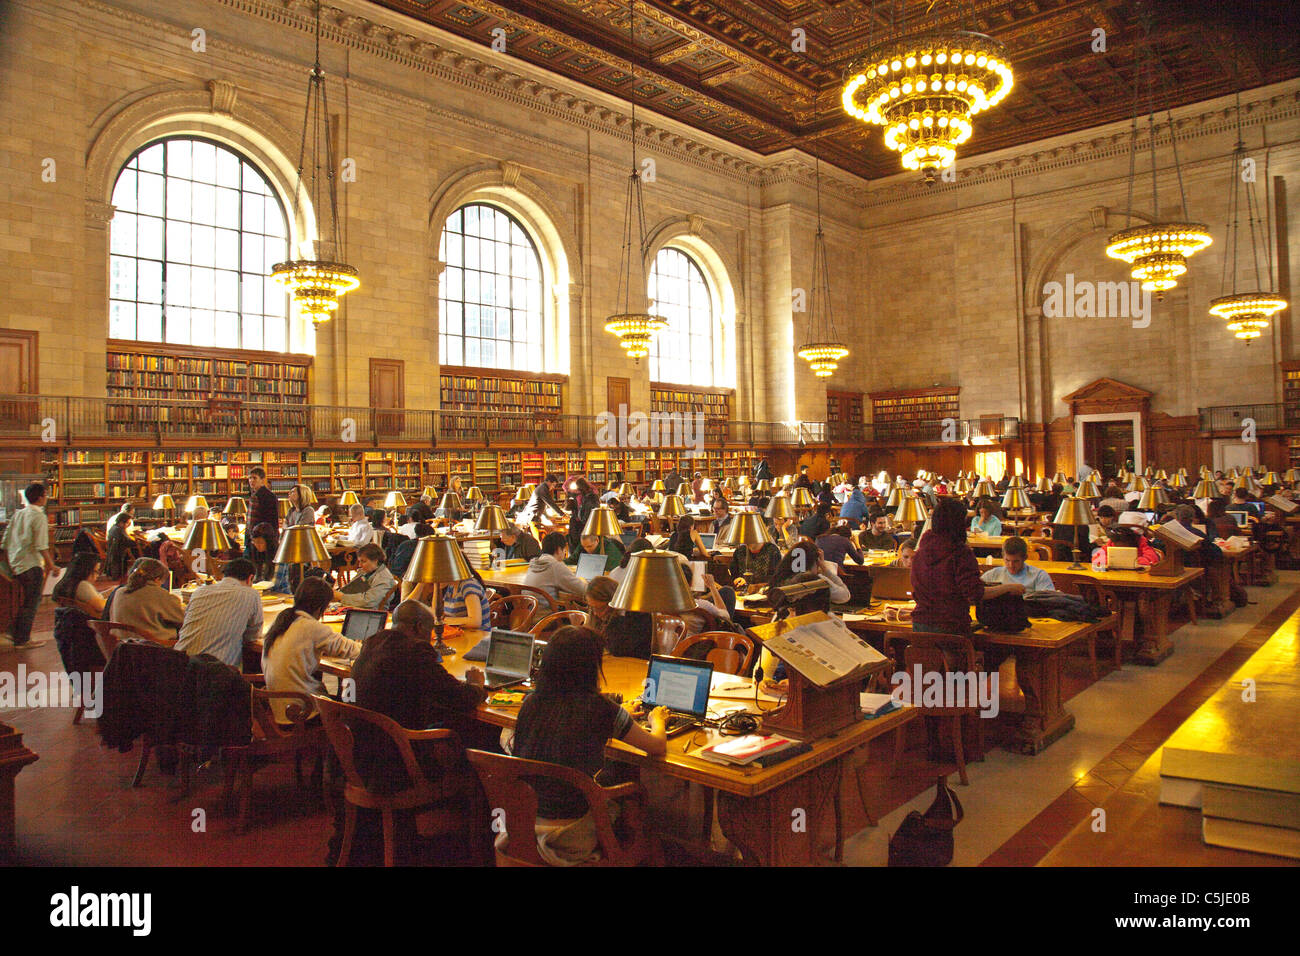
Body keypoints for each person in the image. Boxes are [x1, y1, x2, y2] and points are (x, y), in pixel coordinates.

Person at [510, 625, 667, 863]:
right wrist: (658, 720)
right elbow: (656, 747)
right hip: (571, 833)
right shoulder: (602, 709)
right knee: (631, 787)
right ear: (590, 667)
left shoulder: (531, 702)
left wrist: (619, 714)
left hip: (523, 823)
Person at [910, 497, 1026, 637]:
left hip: (920, 624)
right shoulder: (960, 553)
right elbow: (975, 593)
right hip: (951, 625)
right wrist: (1009, 587)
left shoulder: (921, 552)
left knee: (928, 659)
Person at [261, 577, 361, 722]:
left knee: (340, 690)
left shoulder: (283, 620)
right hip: (303, 712)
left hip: (279, 709)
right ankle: (345, 735)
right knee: (351, 691)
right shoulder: (312, 627)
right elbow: (353, 650)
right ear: (320, 607)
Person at [175, 557, 264, 668]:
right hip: (215, 674)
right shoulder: (251, 594)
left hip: (178, 665)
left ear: (224, 575)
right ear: (250, 578)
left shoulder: (200, 591)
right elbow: (252, 637)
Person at [1, 482, 55, 649]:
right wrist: (51, 565)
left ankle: (13, 632)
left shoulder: (19, 513)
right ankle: (22, 639)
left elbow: (6, 539)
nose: (46, 498)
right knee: (32, 602)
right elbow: (41, 545)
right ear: (40, 498)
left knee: (23, 600)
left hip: (16, 563)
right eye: (46, 495)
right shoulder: (39, 516)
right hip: (31, 564)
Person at [106, 557, 186, 644]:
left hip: (122, 647)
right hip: (153, 648)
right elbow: (183, 619)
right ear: (157, 579)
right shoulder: (160, 595)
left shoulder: (119, 592)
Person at [52, 553, 108, 676]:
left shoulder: (65, 584)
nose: (97, 576)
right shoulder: (83, 585)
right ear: (85, 569)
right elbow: (100, 606)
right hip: (90, 634)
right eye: (96, 571)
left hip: (72, 631)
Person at [584, 575, 652, 658]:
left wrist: (614, 617)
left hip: (637, 663)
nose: (595, 613)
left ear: (614, 602)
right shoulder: (598, 614)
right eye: (591, 607)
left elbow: (617, 649)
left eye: (600, 608)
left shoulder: (638, 615)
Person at [767, 541, 850, 605]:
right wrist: (825, 569)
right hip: (809, 623)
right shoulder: (815, 581)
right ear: (816, 561)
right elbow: (845, 596)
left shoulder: (782, 577)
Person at [524, 531, 588, 602]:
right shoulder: (555, 566)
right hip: (547, 612)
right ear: (559, 550)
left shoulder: (534, 564)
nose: (565, 553)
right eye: (564, 550)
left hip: (528, 611)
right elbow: (583, 590)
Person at [980, 536, 1055, 593]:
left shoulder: (1039, 576)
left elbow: (1048, 602)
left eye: (1016, 561)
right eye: (1007, 560)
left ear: (1025, 558)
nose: (1011, 565)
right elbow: (975, 591)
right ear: (1003, 556)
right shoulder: (993, 574)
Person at [335, 543, 397, 609]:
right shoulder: (365, 571)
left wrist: (341, 597)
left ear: (375, 561)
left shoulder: (384, 578)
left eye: (363, 561)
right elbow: (348, 589)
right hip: (356, 607)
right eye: (359, 561)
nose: (359, 565)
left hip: (371, 613)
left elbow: (368, 602)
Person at [245, 466, 279, 563]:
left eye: (254, 478)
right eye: (250, 478)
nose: (251, 480)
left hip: (263, 539)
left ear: (262, 480)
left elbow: (272, 521)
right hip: (253, 538)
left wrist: (269, 540)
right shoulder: (253, 494)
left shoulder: (269, 496)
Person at [1095, 526, 1160, 567]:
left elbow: (1153, 560)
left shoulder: (1141, 541)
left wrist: (1119, 562)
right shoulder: (1113, 541)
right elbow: (1097, 557)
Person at [566, 477, 599, 553]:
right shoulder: (588, 495)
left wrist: (571, 478)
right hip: (582, 524)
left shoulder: (589, 498)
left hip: (583, 526)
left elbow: (587, 515)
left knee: (578, 546)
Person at [104, 511, 138, 580]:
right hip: (118, 554)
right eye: (128, 523)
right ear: (122, 522)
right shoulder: (119, 530)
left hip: (116, 553)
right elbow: (128, 542)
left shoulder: (115, 528)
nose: (128, 525)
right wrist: (137, 541)